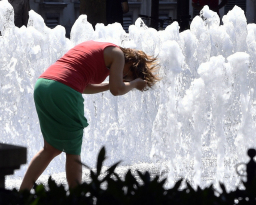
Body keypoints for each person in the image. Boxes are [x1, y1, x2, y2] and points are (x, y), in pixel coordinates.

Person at [19, 40, 159, 191]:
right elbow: (117, 90)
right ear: (132, 62)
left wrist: (111, 83)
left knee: (51, 148)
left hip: (43, 85)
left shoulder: (98, 48)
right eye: (126, 75)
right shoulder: (118, 54)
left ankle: (22, 193)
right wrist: (135, 83)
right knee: (73, 151)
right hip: (64, 89)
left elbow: (83, 86)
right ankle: (76, 198)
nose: (123, 77)